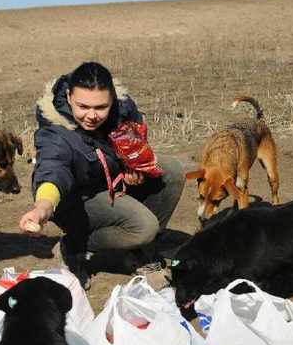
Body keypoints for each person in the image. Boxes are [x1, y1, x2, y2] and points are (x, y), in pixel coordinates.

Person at [19, 61, 184, 288]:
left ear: (113, 99)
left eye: (100, 107)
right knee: (143, 227)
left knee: (171, 170)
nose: (92, 115)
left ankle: (141, 253)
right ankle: (73, 246)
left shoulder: (123, 108)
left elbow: (133, 139)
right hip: (76, 199)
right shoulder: (56, 132)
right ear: (68, 97)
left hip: (110, 183)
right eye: (83, 106)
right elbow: (53, 169)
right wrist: (42, 207)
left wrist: (133, 164)